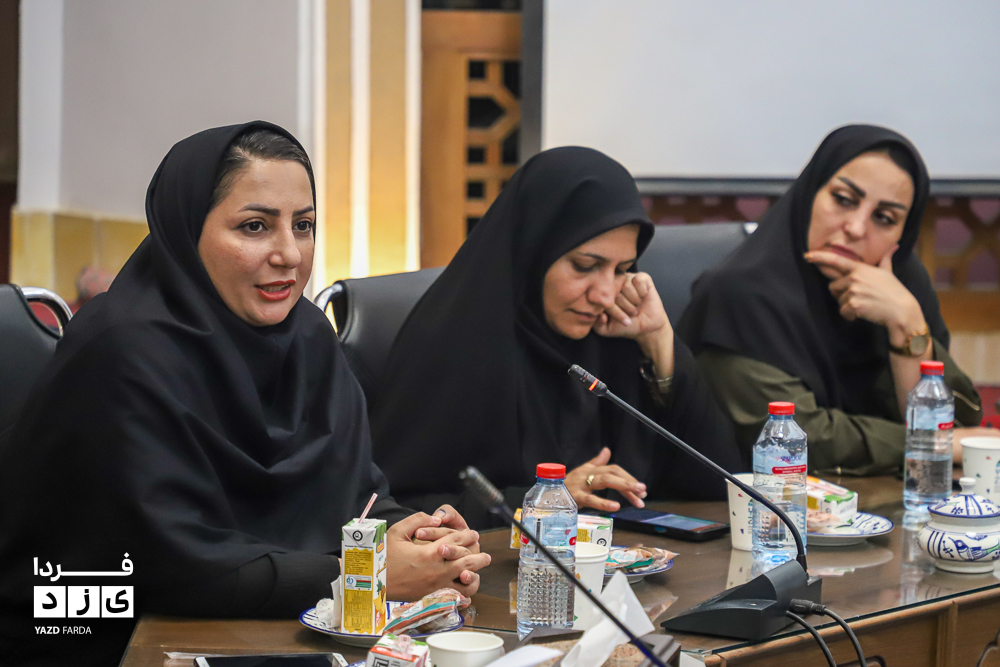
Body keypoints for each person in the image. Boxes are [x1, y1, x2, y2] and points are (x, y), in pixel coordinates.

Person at [0, 122, 488, 666]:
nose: (290, 254)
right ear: (187, 231)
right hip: (103, 640)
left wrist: (421, 541)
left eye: (303, 225)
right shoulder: (121, 355)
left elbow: (354, 496)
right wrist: (366, 575)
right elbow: (173, 568)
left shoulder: (306, 337)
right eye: (255, 226)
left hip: (270, 632)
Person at [370, 147, 745, 529]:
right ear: (534, 250)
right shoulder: (453, 346)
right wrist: (547, 499)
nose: (605, 295)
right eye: (585, 266)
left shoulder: (615, 337)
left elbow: (722, 486)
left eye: (622, 269)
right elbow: (391, 511)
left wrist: (659, 341)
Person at [677, 125, 988, 475]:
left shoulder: (902, 290)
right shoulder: (738, 296)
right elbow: (797, 443)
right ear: (810, 193)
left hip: (886, 501)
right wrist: (930, 445)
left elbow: (959, 428)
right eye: (843, 199)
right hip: (758, 504)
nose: (856, 228)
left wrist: (907, 326)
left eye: (884, 218)